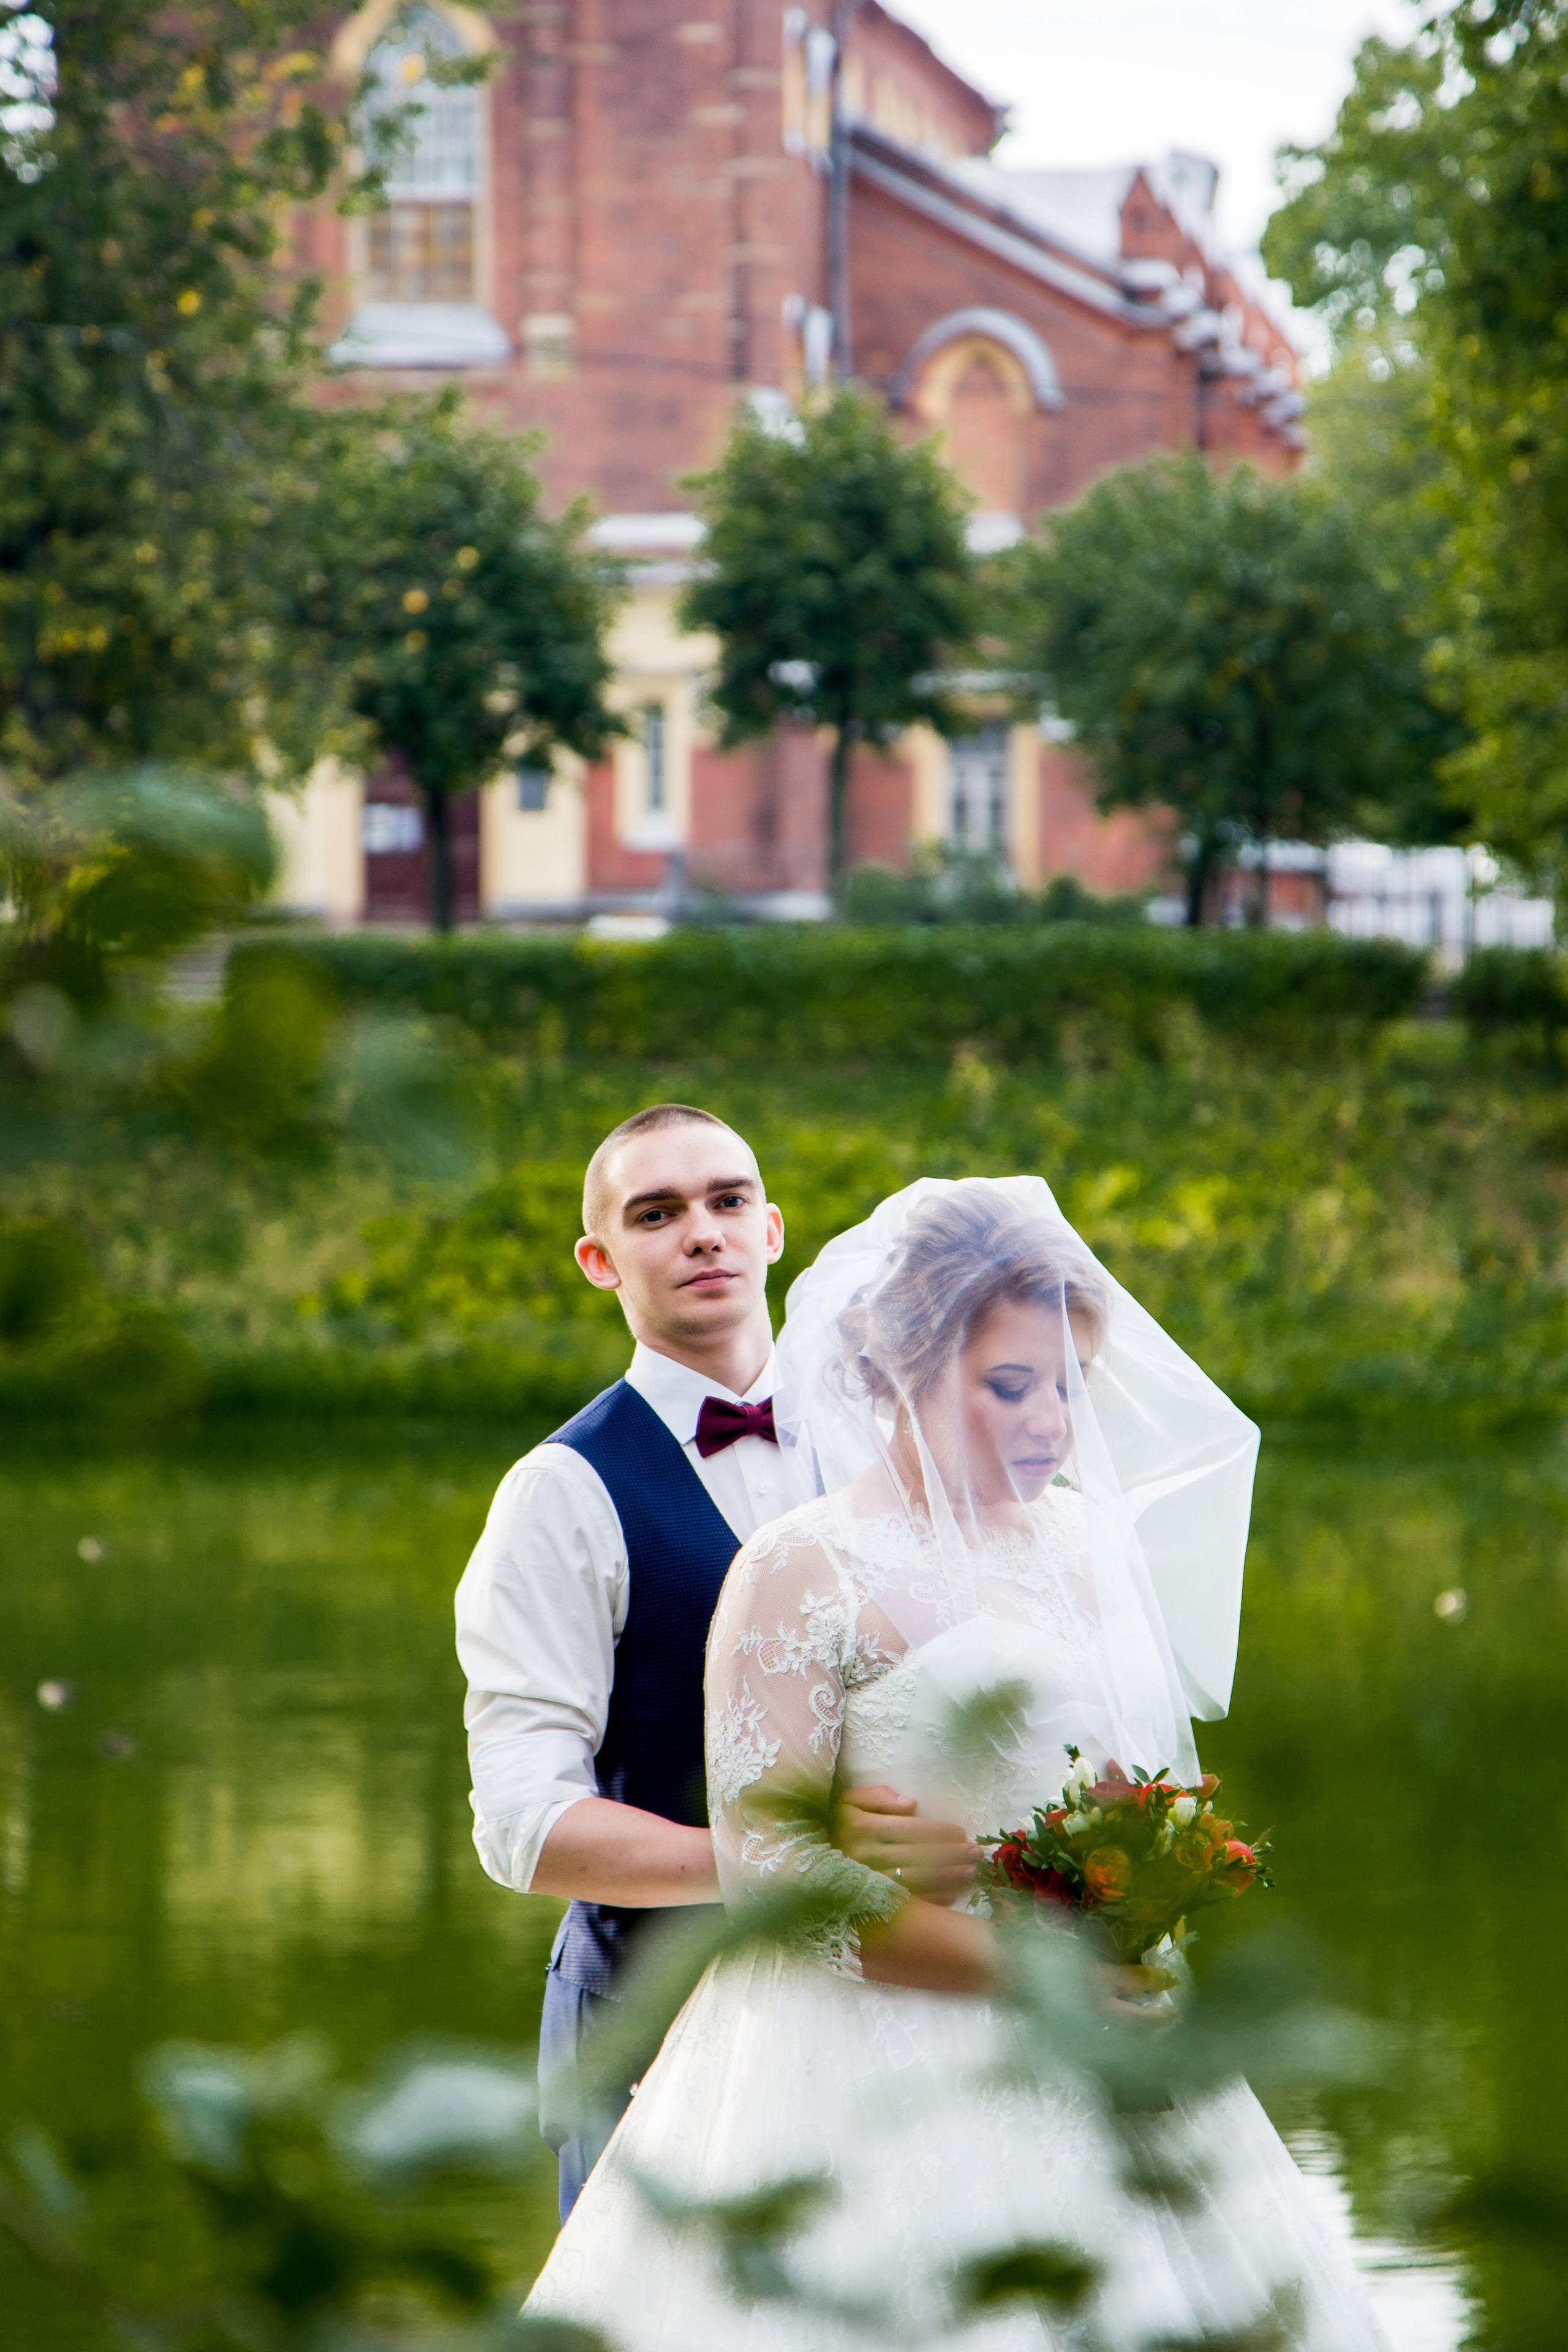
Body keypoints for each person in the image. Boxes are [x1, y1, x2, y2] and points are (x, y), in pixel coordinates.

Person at [524, 1176, 1393, 2350]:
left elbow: (1125, 1783)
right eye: (1012, 1386)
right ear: (903, 1371)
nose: (1052, 1422)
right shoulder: (797, 1571)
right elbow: (775, 1871)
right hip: (860, 2057)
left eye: (1072, 1384)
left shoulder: (1090, 1540)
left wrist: (1140, 1891)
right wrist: (1038, 1973)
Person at [454, 1107, 976, 2219]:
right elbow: (521, 1823)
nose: (702, 1232)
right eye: (656, 1214)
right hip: (659, 2029)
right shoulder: (561, 1494)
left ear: (773, 1230)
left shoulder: (892, 1448)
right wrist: (779, 1867)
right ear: (600, 1260)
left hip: (902, 2019)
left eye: (727, 1201)